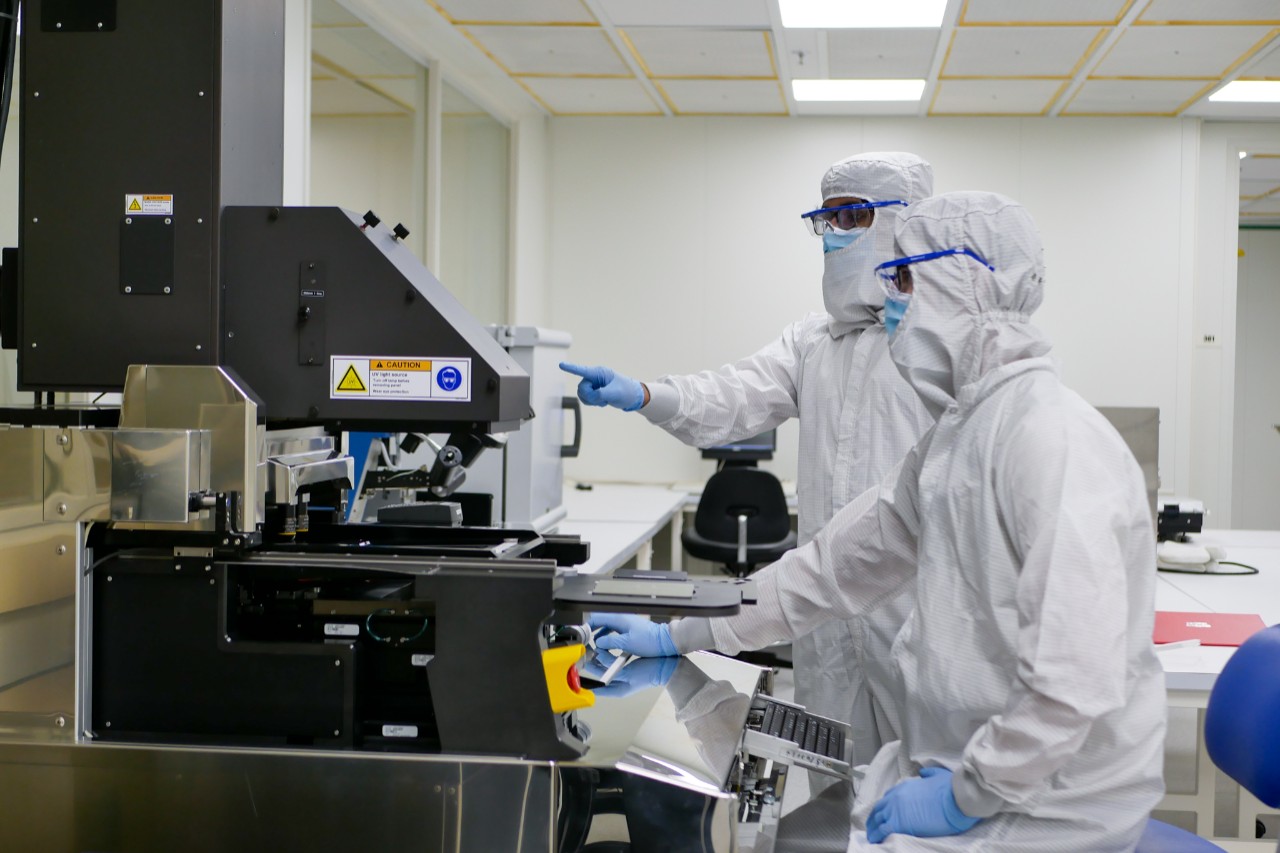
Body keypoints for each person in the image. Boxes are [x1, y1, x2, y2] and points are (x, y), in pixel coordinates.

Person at [590, 191, 1166, 849]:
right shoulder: (960, 436)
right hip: (962, 764)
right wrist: (681, 631)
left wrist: (964, 793)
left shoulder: (1049, 439)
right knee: (779, 816)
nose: (888, 300)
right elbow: (833, 565)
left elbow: (1071, 679)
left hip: (1045, 805)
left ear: (967, 282)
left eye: (902, 278)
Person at [561, 152, 937, 777]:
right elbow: (731, 397)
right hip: (820, 613)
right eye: (828, 219)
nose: (835, 234)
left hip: (916, 614)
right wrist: (647, 396)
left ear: (904, 224)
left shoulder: (935, 345)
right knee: (829, 777)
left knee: (923, 788)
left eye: (852, 215)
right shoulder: (816, 343)